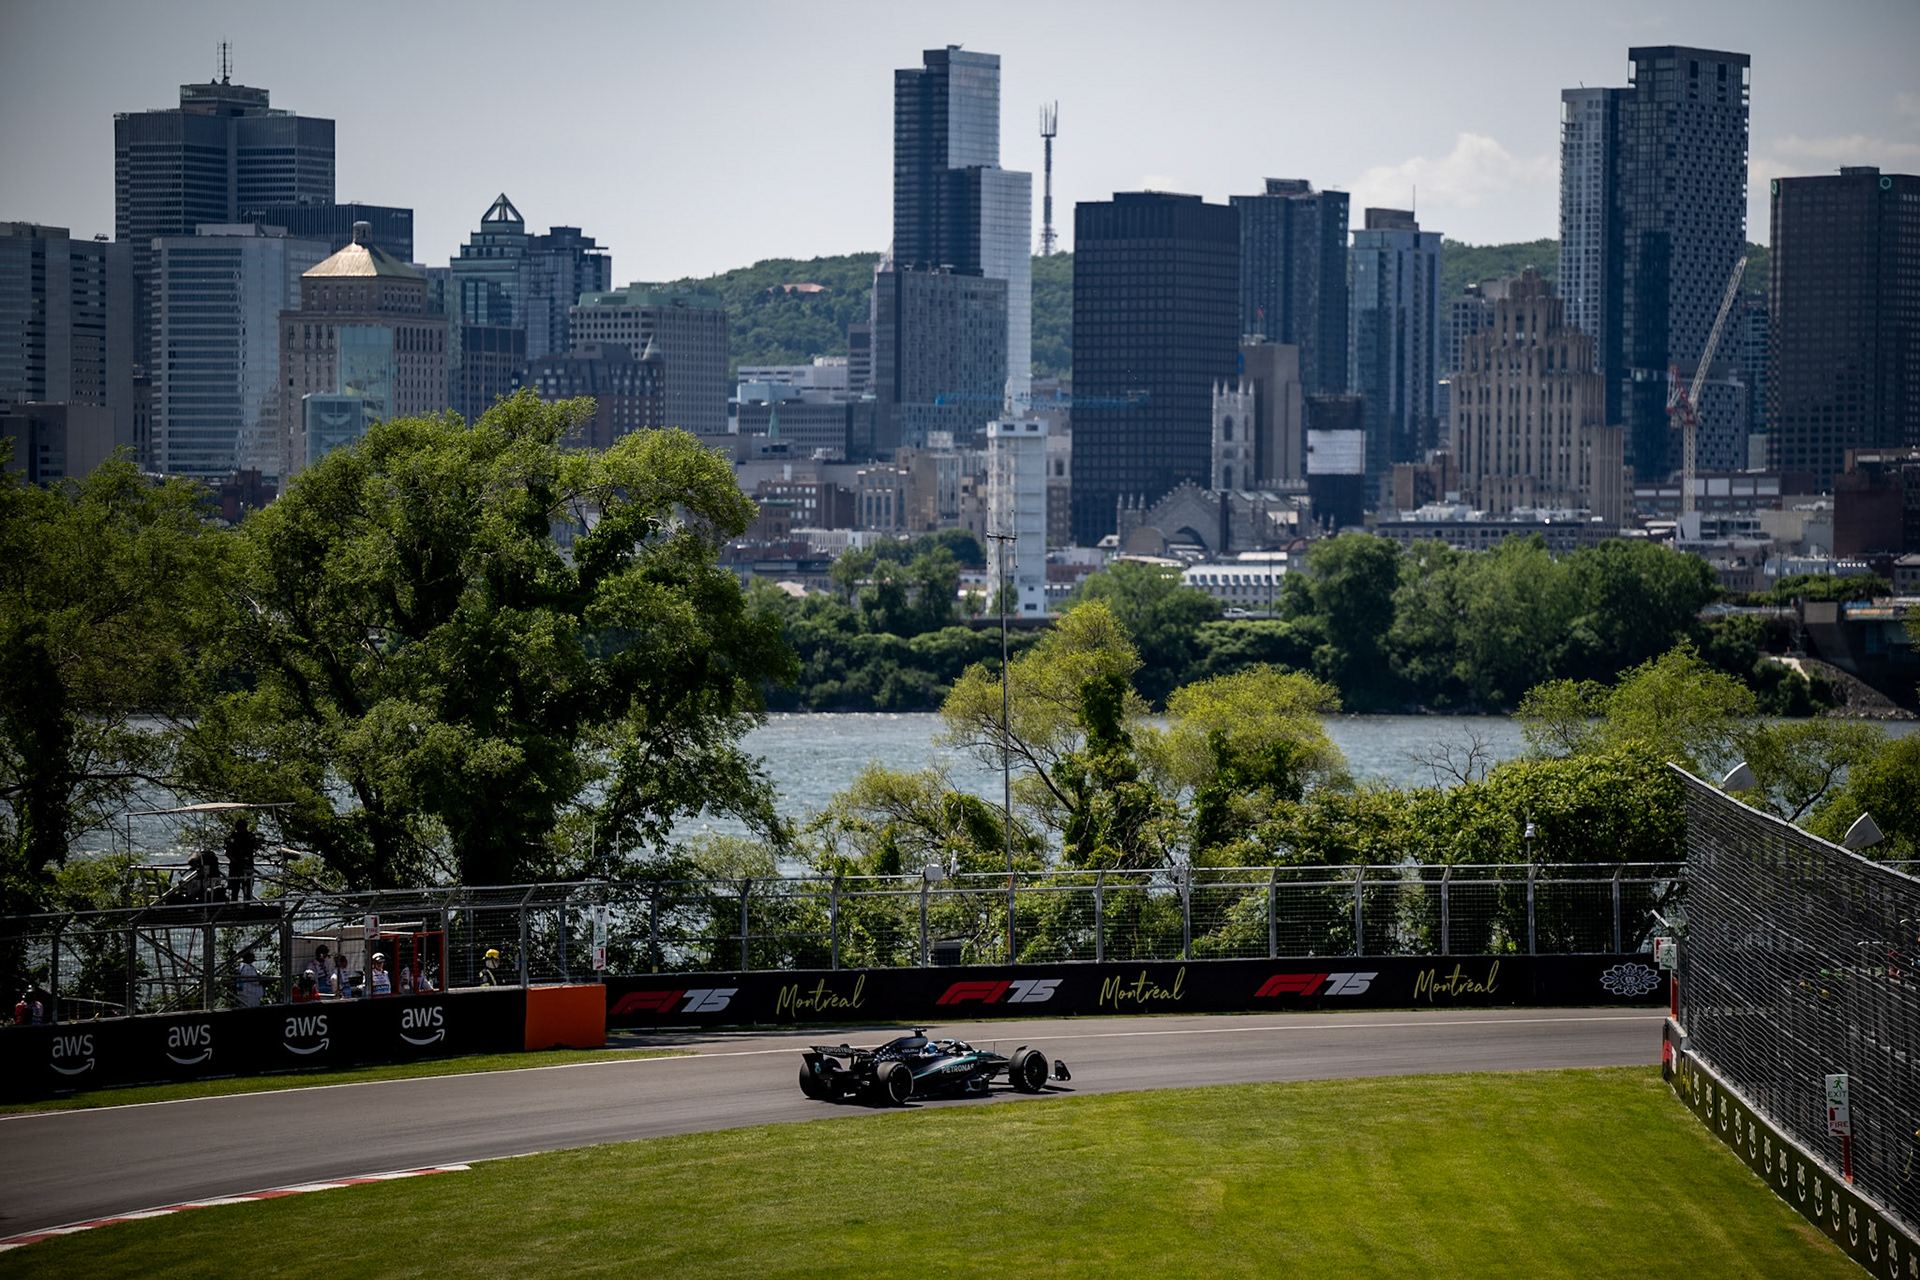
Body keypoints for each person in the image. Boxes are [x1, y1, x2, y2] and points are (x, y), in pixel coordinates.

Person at [224, 819, 261, 901]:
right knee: (235, 889)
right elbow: (227, 852)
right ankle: (234, 906)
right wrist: (235, 860)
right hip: (236, 867)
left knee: (247, 889)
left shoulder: (249, 837)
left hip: (247, 866)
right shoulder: (233, 838)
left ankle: (246, 906)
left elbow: (255, 845)